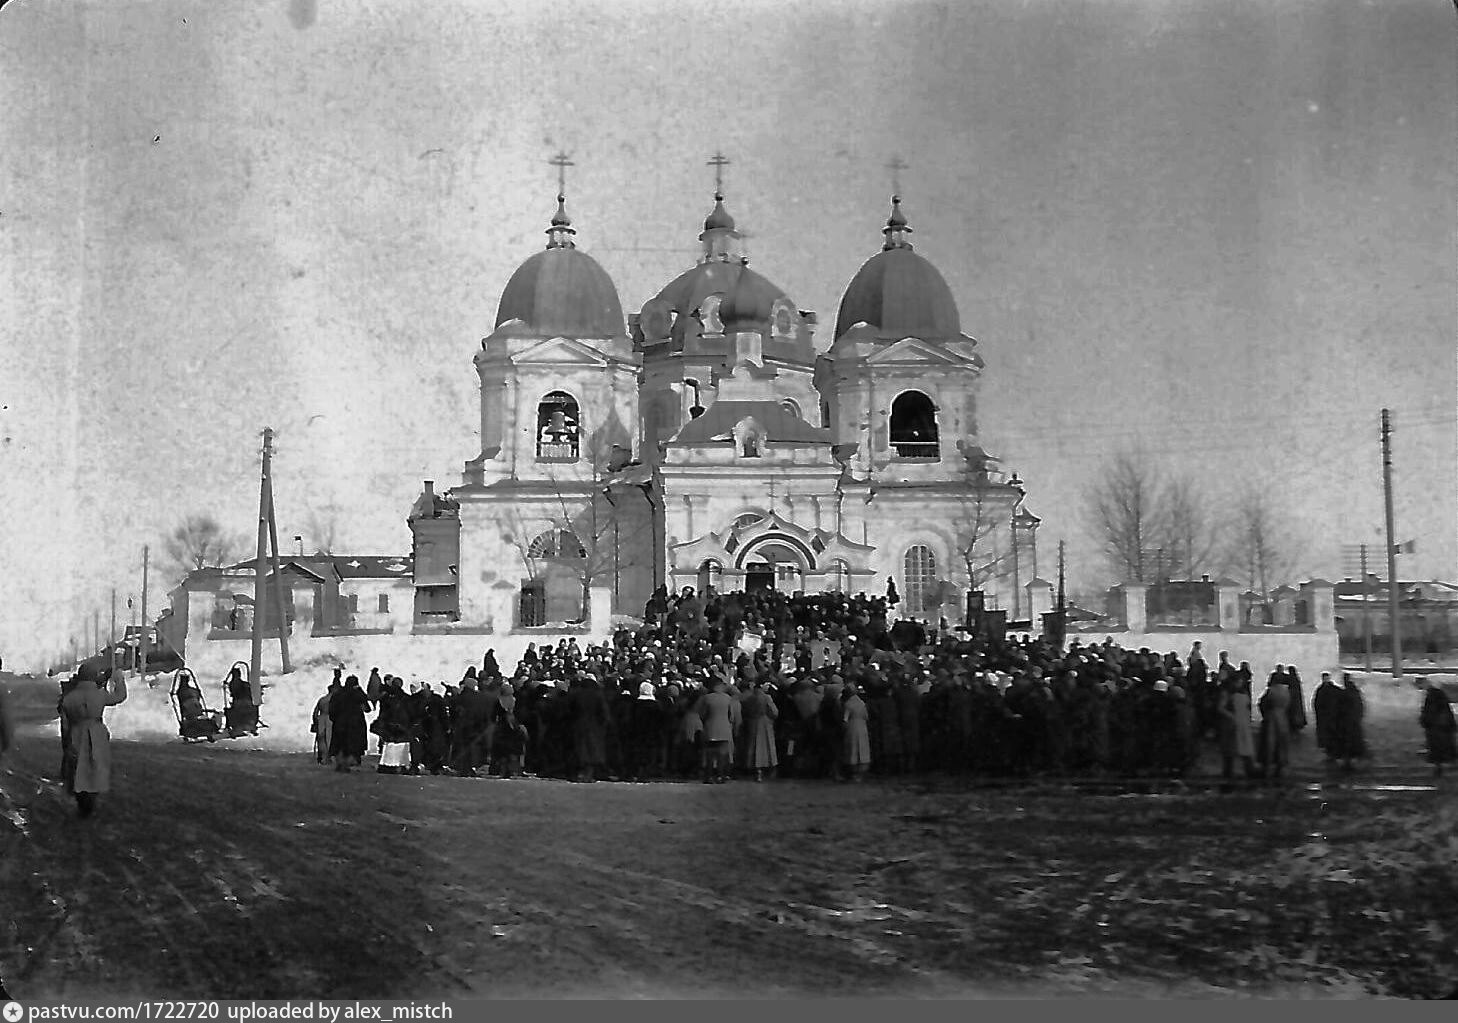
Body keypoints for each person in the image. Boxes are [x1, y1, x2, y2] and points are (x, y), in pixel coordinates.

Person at [59, 666, 128, 817]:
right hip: (97, 732)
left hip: (76, 732)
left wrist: (66, 743)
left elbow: (64, 724)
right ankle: (92, 796)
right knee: (96, 765)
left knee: (78, 767)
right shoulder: (100, 694)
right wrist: (119, 680)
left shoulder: (69, 697)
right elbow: (119, 696)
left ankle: (82, 800)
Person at [328, 675, 370, 772]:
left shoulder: (338, 694)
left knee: (340, 744)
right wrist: (360, 691)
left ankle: (340, 763)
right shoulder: (358, 694)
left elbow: (332, 709)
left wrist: (335, 719)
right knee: (353, 745)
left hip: (339, 723)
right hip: (355, 724)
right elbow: (367, 708)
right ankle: (349, 762)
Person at [1327, 673, 1367, 771]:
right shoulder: (1355, 692)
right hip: (1352, 722)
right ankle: (1352, 760)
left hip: (1345, 723)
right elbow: (1360, 706)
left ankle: (1347, 760)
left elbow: (1337, 708)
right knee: (1353, 742)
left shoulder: (1344, 694)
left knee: (1345, 742)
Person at [1418, 678, 1456, 777]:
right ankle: (1441, 767)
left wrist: (1425, 720)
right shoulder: (1437, 695)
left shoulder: (1432, 696)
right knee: (1443, 748)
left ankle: (1439, 767)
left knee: (1437, 748)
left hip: (1437, 727)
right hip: (1441, 726)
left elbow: (1430, 711)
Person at [1312, 672, 1342, 758]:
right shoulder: (1321, 689)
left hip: (1331, 715)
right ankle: (1329, 749)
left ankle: (1332, 750)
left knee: (1331, 732)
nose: (1325, 680)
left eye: (1326, 678)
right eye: (1324, 678)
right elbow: (1316, 702)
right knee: (1327, 733)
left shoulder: (1332, 689)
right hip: (1325, 715)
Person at [311, 676, 339, 764]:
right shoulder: (335, 700)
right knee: (329, 739)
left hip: (321, 719)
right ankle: (328, 757)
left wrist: (315, 721)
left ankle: (322, 756)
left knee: (321, 738)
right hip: (330, 719)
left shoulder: (322, 699)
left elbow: (315, 712)